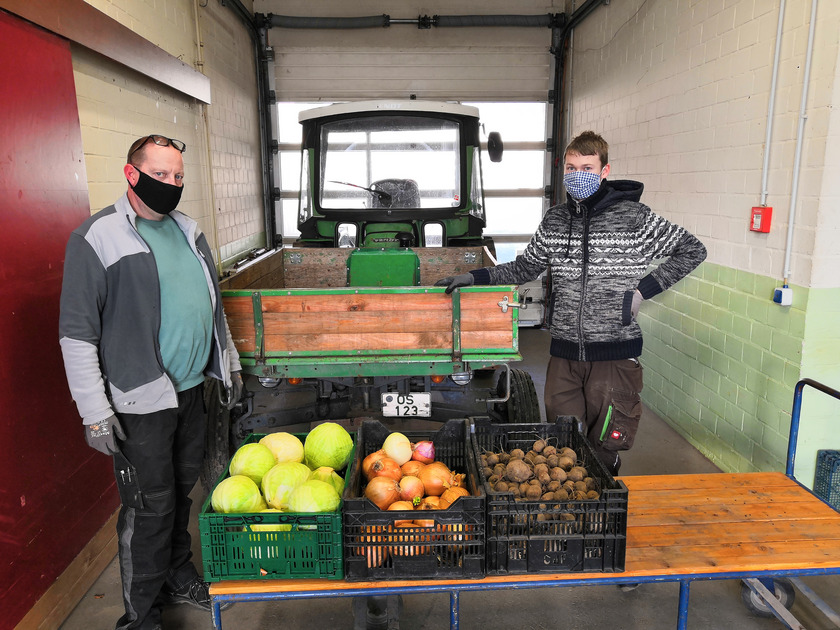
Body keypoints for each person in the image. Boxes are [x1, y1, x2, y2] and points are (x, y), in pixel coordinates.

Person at [437, 130, 706, 475]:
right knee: (564, 445)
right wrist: (475, 278)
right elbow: (525, 266)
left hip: (614, 353)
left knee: (606, 446)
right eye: (571, 167)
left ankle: (600, 509)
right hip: (564, 354)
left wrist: (644, 290)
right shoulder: (556, 220)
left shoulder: (634, 219)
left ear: (605, 171)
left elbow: (693, 249)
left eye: (588, 168)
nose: (578, 175)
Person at [59, 134, 244, 630]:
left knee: (182, 493)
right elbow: (76, 334)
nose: (171, 184)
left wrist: (229, 363)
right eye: (160, 174)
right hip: (139, 401)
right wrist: (95, 413)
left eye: (178, 176)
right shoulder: (97, 237)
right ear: (131, 173)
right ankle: (141, 616)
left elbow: (212, 306)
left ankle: (177, 574)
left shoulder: (189, 230)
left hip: (189, 391)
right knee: (149, 506)